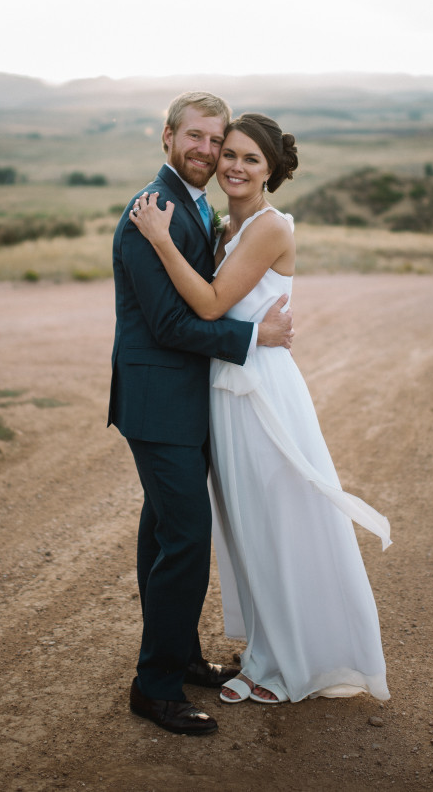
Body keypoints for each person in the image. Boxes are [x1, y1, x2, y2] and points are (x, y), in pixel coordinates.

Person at [130, 112, 391, 707]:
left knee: (281, 521)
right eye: (230, 154)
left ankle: (292, 662)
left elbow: (214, 304)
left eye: (251, 158)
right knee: (247, 528)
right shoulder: (225, 228)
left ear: (271, 169)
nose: (235, 166)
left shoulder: (269, 228)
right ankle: (265, 651)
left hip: (262, 393)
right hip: (226, 392)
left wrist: (161, 241)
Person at [108, 92, 294, 736]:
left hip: (184, 402)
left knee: (164, 533)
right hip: (159, 402)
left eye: (217, 141)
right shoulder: (151, 210)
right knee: (187, 538)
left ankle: (180, 658)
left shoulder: (195, 206)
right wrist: (251, 340)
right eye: (196, 137)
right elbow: (166, 322)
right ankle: (154, 687)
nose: (207, 151)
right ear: (167, 137)